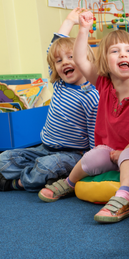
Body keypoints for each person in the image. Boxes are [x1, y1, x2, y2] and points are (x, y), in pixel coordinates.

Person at [37, 10, 129, 224]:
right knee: (92, 156)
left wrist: (125, 151)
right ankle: (69, 182)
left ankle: (124, 199)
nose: (123, 55)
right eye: (115, 51)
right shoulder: (103, 84)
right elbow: (79, 58)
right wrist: (83, 29)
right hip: (111, 151)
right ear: (104, 61)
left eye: (128, 50)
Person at [0, 8, 99, 192]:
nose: (65, 63)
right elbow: (51, 49)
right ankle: (31, 172)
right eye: (59, 61)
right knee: (4, 158)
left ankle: (16, 183)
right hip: (43, 147)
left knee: (45, 168)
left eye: (71, 57)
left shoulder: (91, 95)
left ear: (85, 60)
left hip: (72, 154)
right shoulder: (60, 84)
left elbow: (95, 131)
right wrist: (69, 21)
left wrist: (92, 162)